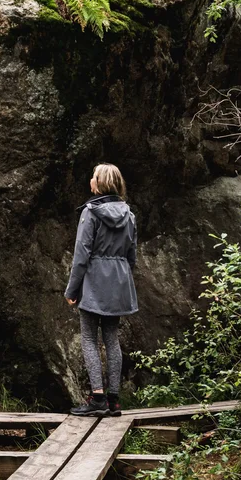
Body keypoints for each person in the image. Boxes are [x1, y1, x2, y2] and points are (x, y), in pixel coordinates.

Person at [65, 163, 138, 417]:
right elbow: (132, 256)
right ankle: (114, 400)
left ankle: (97, 398)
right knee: (111, 338)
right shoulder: (129, 214)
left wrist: (72, 289)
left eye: (94, 176)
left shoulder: (91, 212)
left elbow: (81, 255)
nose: (91, 180)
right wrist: (121, 280)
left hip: (94, 281)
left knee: (88, 338)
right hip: (118, 283)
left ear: (101, 183)